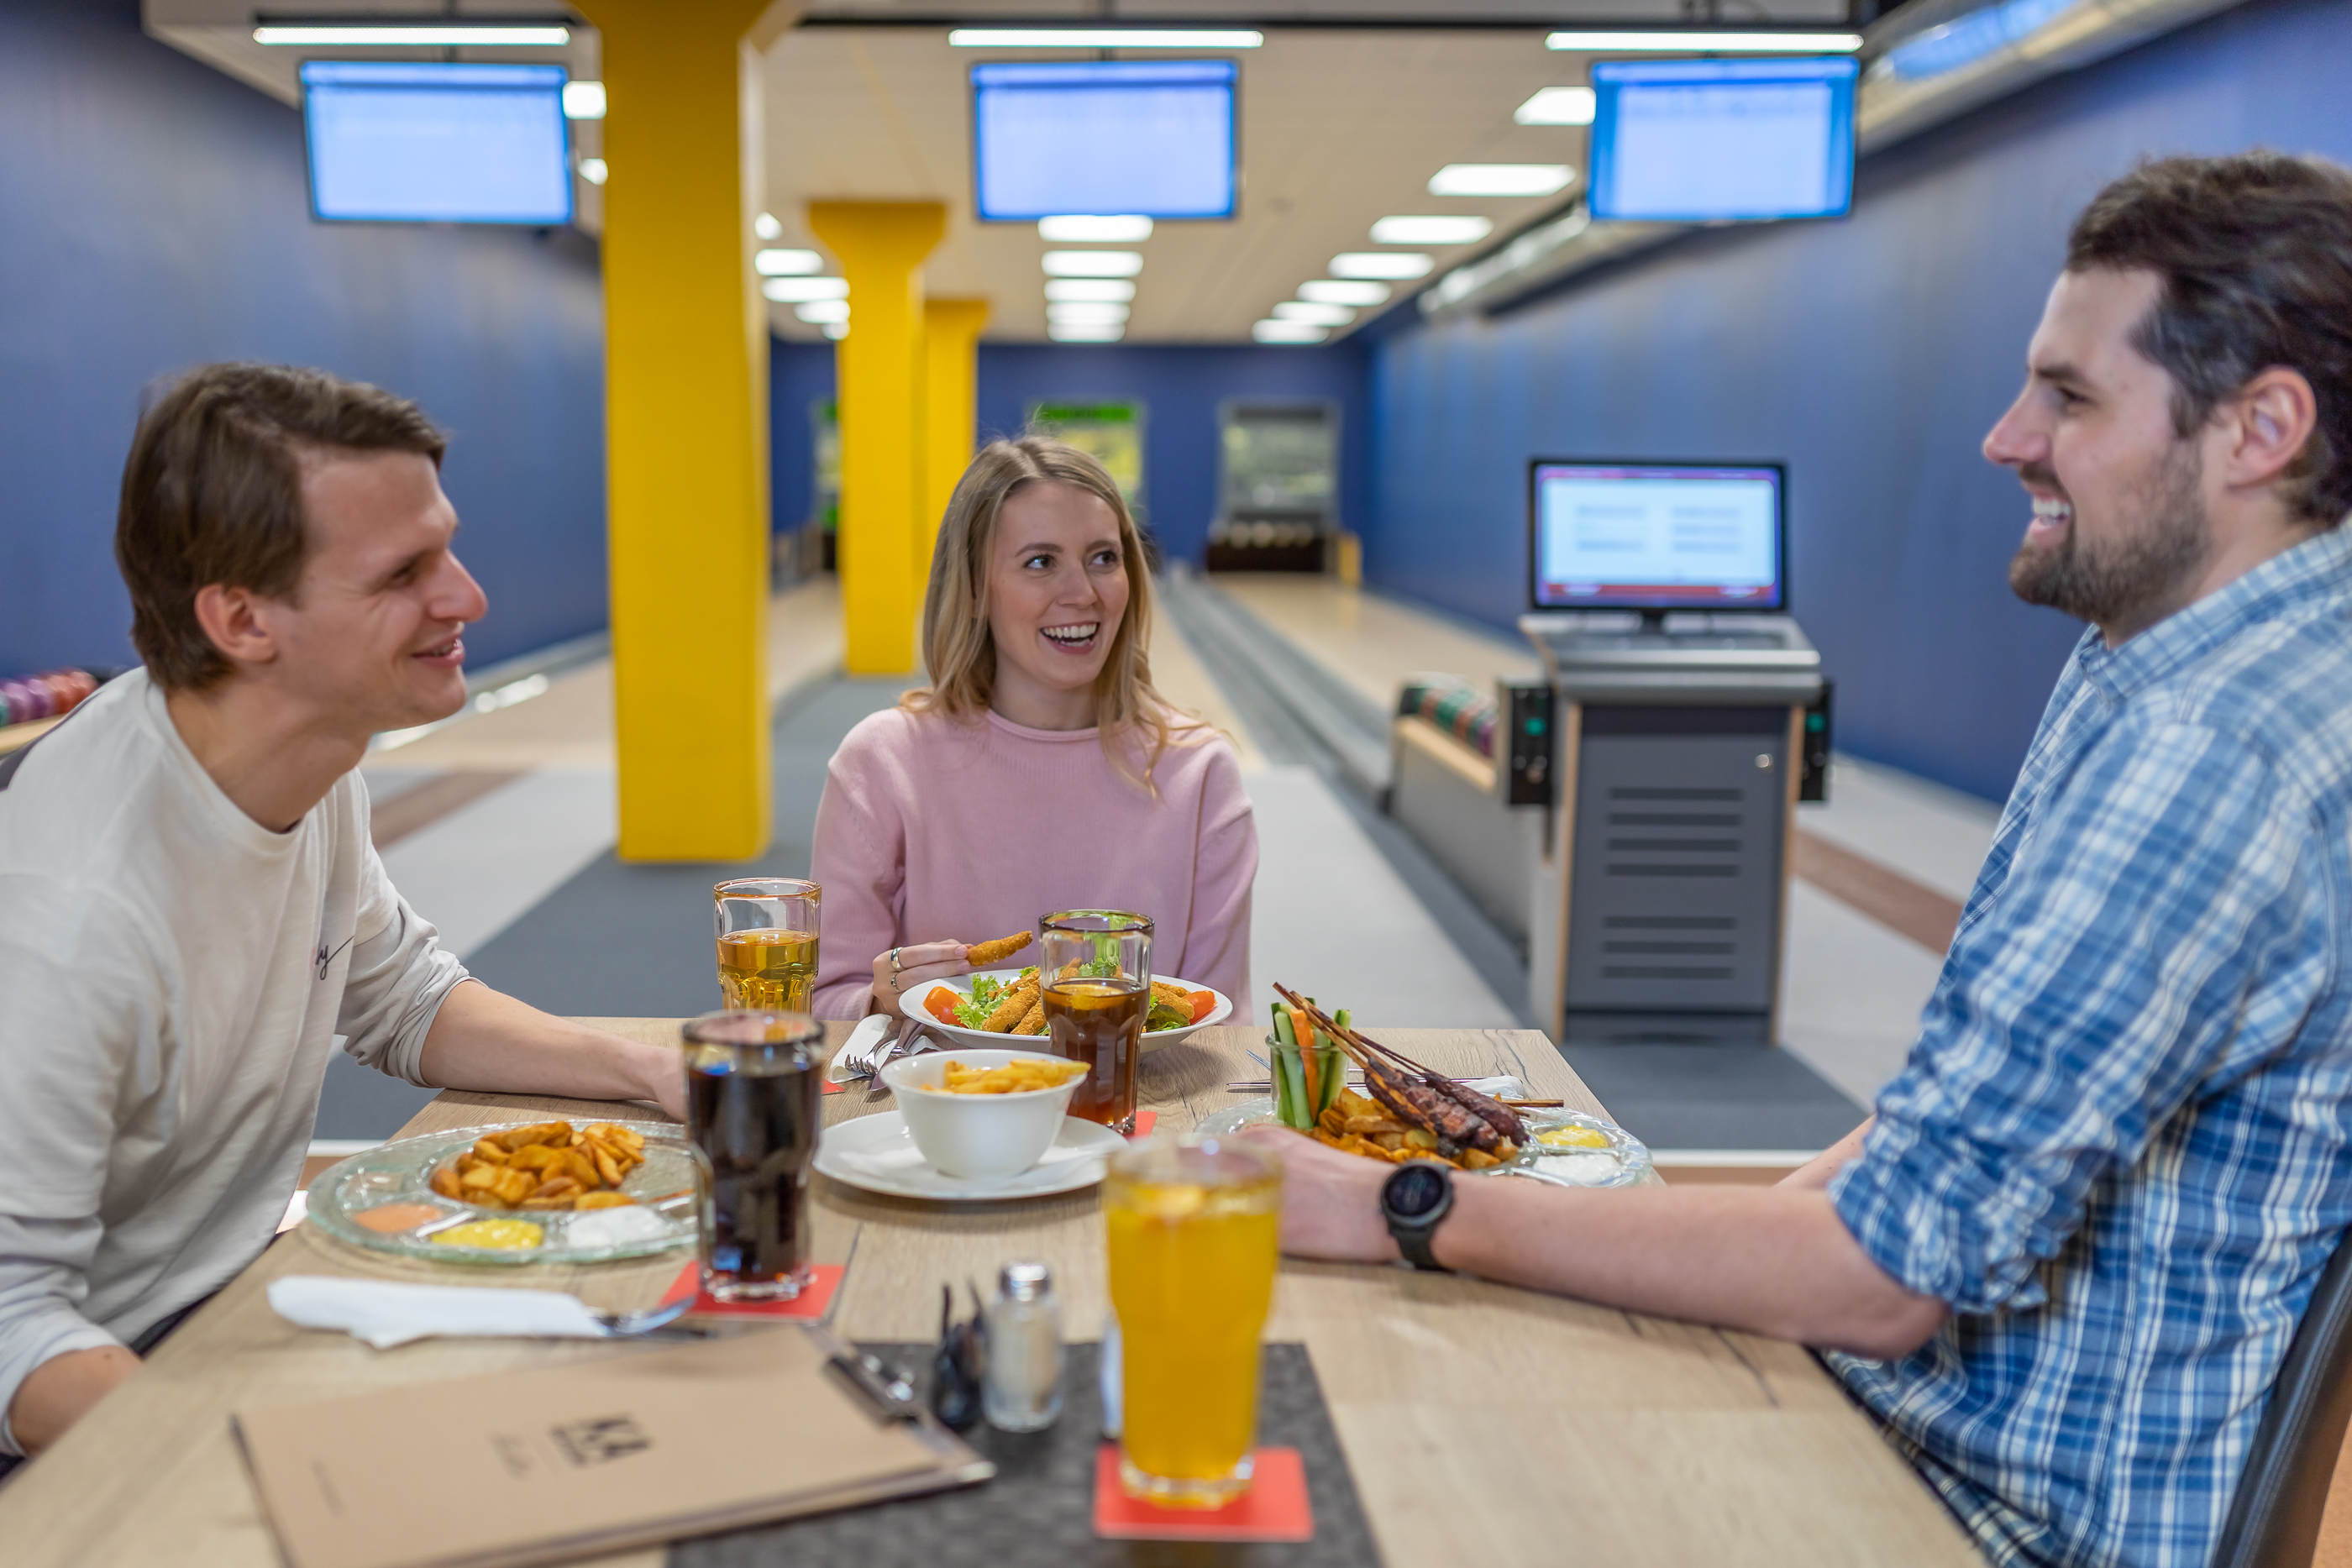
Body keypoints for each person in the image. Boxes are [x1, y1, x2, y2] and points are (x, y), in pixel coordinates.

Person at [1247, 151, 2352, 1568]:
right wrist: (1669, 1241)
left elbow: (1885, 1278)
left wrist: (1406, 1204)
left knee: (1390, 1456)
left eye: (2070, 395)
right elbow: (1942, 1134)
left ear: (2261, 427)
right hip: (1938, 1427)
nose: (2007, 436)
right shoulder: (2188, 662)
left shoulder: (2211, 752)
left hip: (1976, 1510)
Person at [0, 364, 686, 1466]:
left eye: (447, 548)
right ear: (241, 618)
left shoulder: (313, 756)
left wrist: (651, 1070)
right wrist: (294, 1460)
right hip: (91, 1407)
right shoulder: (71, 914)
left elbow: (405, 997)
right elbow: (13, 1332)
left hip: (227, 1309)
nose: (467, 598)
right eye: (405, 572)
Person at [811, 437, 1256, 1021]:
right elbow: (815, 1006)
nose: (1084, 594)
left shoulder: (1200, 774)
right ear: (973, 590)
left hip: (1138, 1109)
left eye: (1103, 557)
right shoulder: (884, 763)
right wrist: (880, 997)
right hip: (938, 1105)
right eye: (1041, 562)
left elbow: (1215, 1029)